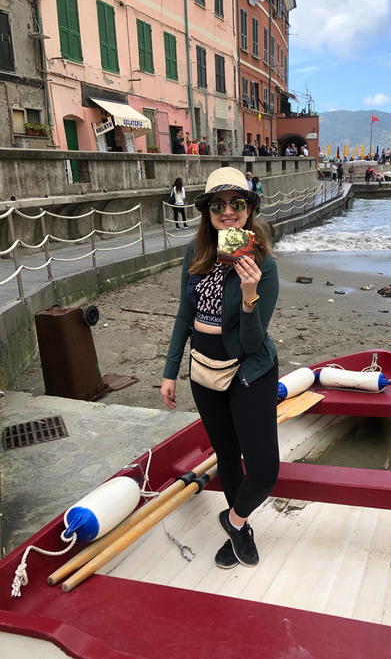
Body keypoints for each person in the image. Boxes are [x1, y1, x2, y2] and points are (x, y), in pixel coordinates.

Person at [160, 166, 279, 569]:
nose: (227, 212)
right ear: (208, 213)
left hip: (249, 373)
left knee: (263, 470)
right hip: (204, 372)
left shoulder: (264, 266)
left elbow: (250, 343)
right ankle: (241, 529)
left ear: (249, 210)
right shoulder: (194, 256)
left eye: (236, 204)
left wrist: (250, 297)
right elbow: (183, 315)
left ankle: (232, 518)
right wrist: (169, 371)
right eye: (218, 206)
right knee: (227, 455)